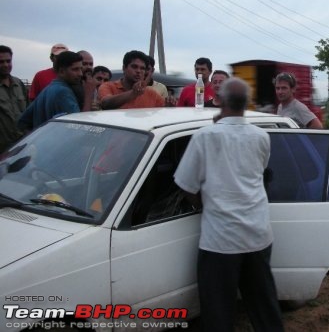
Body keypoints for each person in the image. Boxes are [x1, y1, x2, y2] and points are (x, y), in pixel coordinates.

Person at [174, 77, 284, 332]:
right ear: (247, 104)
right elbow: (257, 171)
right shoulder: (261, 136)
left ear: (219, 100)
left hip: (220, 241)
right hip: (258, 235)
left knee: (218, 313)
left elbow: (185, 185)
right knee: (264, 307)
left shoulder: (204, 136)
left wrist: (203, 204)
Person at [18, 51, 90, 130]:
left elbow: (23, 121)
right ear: (62, 71)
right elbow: (80, 126)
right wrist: (89, 94)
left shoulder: (48, 89)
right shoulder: (63, 92)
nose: (80, 74)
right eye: (75, 69)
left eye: (80, 69)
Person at [98, 50, 165, 110]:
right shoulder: (108, 86)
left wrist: (171, 104)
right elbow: (105, 104)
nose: (138, 71)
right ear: (124, 68)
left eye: (142, 68)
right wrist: (133, 93)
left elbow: (165, 109)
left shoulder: (150, 93)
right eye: (134, 67)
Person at [0, 45, 28, 153]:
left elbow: (28, 111)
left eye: (8, 61)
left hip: (22, 145)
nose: (5, 65)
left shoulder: (18, 83)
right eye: (1, 62)